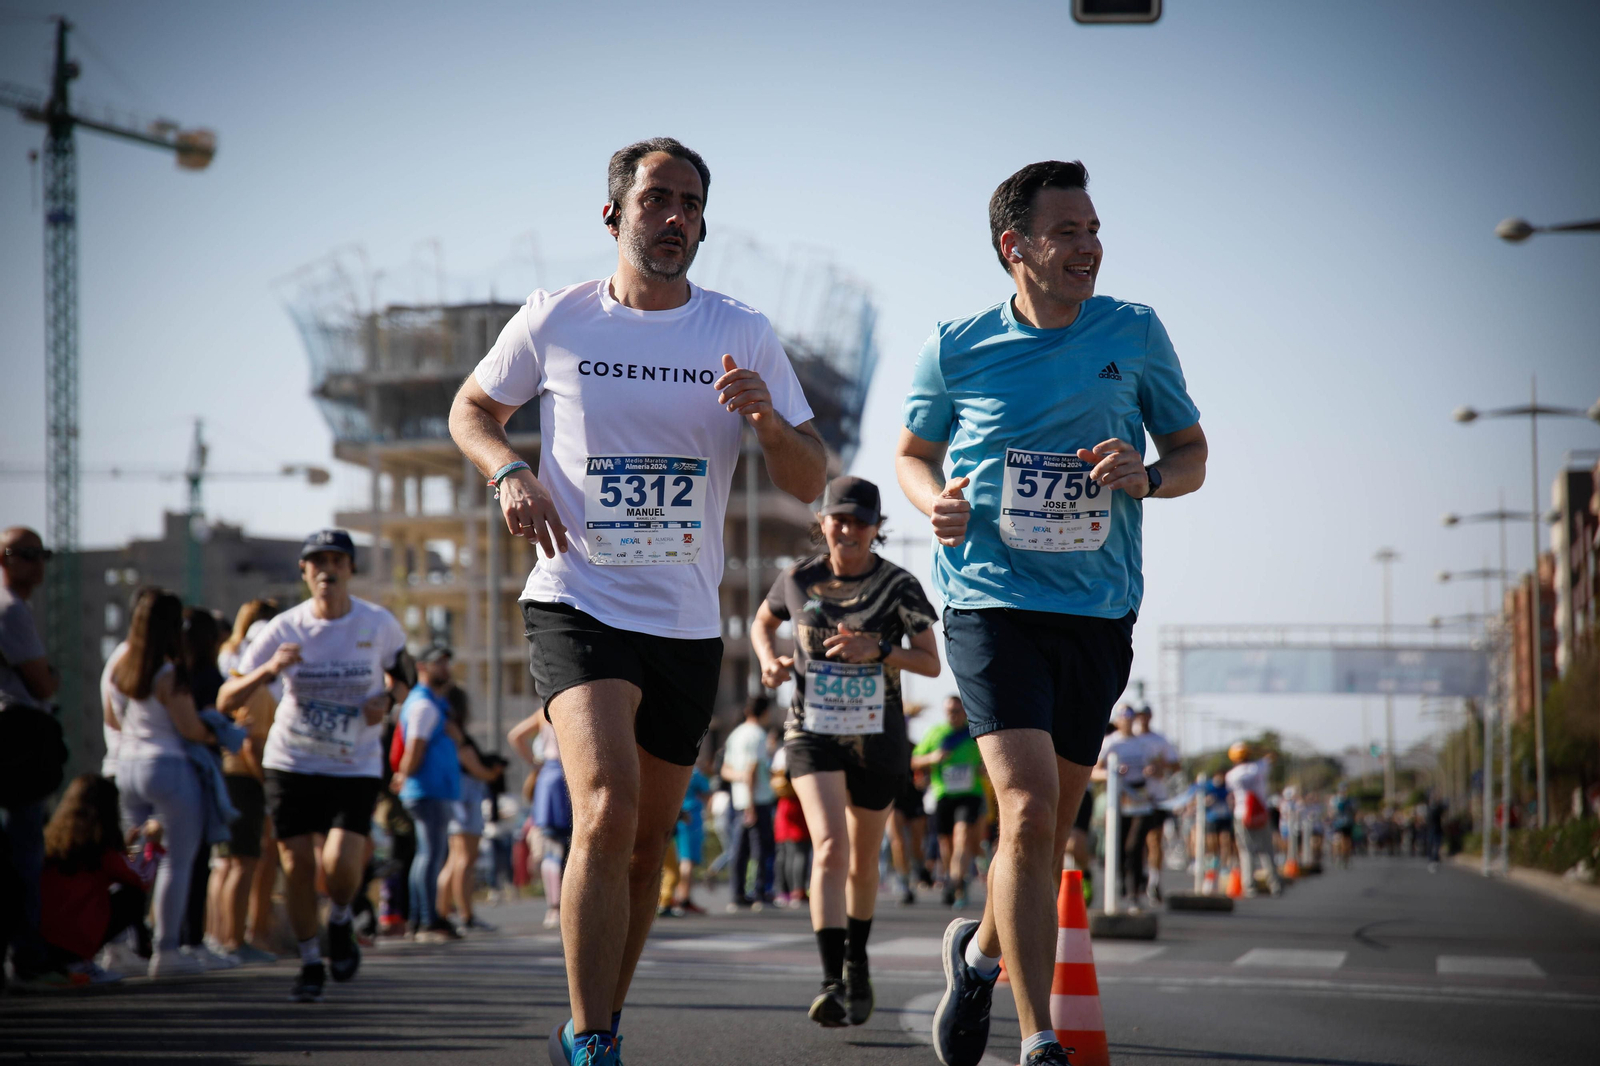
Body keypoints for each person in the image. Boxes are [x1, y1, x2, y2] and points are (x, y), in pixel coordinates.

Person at [448, 135, 825, 1066]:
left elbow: (811, 477)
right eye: (658, 199)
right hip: (577, 596)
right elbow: (471, 410)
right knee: (607, 808)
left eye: (691, 204)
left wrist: (769, 422)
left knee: (651, 842)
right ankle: (589, 1039)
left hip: (687, 617)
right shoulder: (557, 319)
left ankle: (601, 1021)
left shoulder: (741, 331)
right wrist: (509, 473)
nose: (676, 218)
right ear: (613, 214)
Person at [896, 160, 1207, 1066]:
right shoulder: (955, 345)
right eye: (1067, 232)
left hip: (1099, 607)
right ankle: (1040, 1040)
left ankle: (982, 955)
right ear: (1016, 248)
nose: (1090, 247)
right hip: (989, 599)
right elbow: (914, 454)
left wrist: (1147, 476)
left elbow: (1190, 451)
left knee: (1051, 826)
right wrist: (932, 503)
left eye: (1094, 229)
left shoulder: (1135, 332)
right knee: (1027, 814)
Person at [752, 474, 942, 1026]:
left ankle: (858, 958)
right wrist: (769, 660)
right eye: (840, 518)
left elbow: (930, 661)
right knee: (830, 846)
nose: (849, 529)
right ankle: (832, 980)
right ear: (823, 524)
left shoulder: (900, 586)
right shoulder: (797, 580)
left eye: (861, 521)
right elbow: (765, 624)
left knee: (862, 858)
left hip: (878, 736)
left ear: (876, 529)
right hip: (810, 732)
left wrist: (879, 648)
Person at [219, 530, 411, 1003]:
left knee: (341, 864)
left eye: (336, 560)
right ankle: (309, 961)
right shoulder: (281, 629)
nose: (327, 569)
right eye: (316, 562)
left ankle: (341, 919)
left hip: (355, 762)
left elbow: (406, 675)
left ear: (350, 568)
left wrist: (387, 700)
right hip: (293, 762)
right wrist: (268, 671)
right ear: (304, 572)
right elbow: (225, 700)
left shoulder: (377, 622)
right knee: (297, 865)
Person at [106, 590, 215, 977]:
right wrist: (215, 731)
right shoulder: (169, 671)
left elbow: (112, 717)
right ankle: (167, 951)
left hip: (127, 766)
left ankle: (115, 946)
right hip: (168, 766)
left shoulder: (121, 667)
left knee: (128, 861)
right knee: (175, 861)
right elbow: (190, 727)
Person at [0, 527, 61, 987]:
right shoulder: (10, 609)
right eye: (26, 554)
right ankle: (27, 953)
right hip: (16, 735)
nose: (37, 563)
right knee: (23, 847)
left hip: (15, 734)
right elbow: (42, 683)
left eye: (42, 554)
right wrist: (48, 675)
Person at [391, 646, 480, 942]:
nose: (446, 668)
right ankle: (427, 920)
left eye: (446, 662)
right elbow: (415, 748)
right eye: (438, 663)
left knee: (428, 855)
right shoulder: (424, 705)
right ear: (422, 667)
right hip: (427, 790)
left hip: (433, 789)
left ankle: (422, 918)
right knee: (431, 856)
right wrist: (405, 775)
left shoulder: (433, 703)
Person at [38, 774, 153, 984]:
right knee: (131, 895)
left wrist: (126, 848)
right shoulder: (100, 848)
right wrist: (153, 846)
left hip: (42, 940)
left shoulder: (50, 840)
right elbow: (140, 880)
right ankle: (84, 961)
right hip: (74, 941)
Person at [436, 683, 504, 933]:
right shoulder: (454, 730)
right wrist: (490, 773)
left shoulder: (444, 725)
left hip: (457, 794)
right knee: (465, 858)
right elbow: (469, 762)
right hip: (466, 796)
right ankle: (466, 914)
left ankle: (443, 913)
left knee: (455, 859)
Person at [912, 697, 987, 911]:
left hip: (969, 794)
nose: (953, 715)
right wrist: (932, 758)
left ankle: (956, 883)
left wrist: (983, 769)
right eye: (949, 711)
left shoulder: (975, 733)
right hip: (943, 795)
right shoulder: (936, 733)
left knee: (962, 836)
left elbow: (989, 759)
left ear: (964, 712)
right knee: (946, 844)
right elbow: (914, 760)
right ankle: (951, 878)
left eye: (957, 710)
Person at [721, 698, 778, 911]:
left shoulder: (735, 734)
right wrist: (751, 803)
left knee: (739, 849)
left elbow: (726, 770)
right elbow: (753, 770)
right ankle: (760, 893)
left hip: (738, 799)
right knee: (761, 848)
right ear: (764, 712)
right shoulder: (758, 735)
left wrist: (742, 779)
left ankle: (737, 894)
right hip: (757, 800)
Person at [1225, 743, 1281, 897]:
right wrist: (1258, 751)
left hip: (1241, 814)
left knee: (1246, 851)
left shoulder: (1231, 775)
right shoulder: (1259, 767)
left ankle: (1249, 886)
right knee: (1267, 850)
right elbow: (1272, 756)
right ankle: (1274, 884)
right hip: (1261, 813)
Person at [1328, 784, 1355, 868]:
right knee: (1337, 840)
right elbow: (1331, 811)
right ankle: (1337, 855)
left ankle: (1346, 857)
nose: (1343, 792)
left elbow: (1354, 811)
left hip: (1347, 823)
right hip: (1337, 823)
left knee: (1347, 841)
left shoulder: (1350, 800)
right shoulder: (1335, 800)